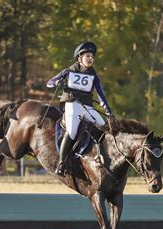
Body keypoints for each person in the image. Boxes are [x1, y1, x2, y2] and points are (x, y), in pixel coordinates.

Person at [47, 41, 114, 176]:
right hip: (72, 105)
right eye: (88, 56)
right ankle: (62, 163)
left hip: (87, 107)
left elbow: (101, 94)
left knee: (102, 125)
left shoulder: (94, 76)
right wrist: (57, 82)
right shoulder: (68, 71)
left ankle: (99, 159)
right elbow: (50, 82)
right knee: (71, 131)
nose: (91, 59)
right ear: (79, 58)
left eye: (92, 57)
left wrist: (108, 110)